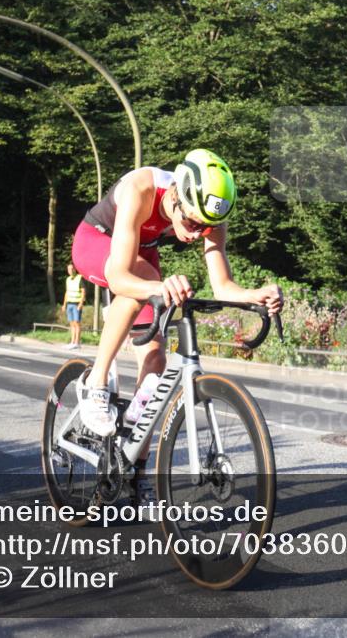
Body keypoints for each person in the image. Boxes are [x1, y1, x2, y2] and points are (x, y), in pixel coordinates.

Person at [70, 149, 283, 471]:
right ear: (174, 195)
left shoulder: (210, 214)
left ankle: (135, 472)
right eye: (191, 222)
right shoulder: (141, 188)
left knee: (156, 362)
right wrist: (158, 288)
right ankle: (95, 382)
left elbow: (224, 285)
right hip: (98, 241)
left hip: (144, 256)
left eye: (205, 227)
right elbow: (119, 277)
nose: (197, 233)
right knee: (141, 283)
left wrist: (257, 295)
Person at [63, 263, 86, 349]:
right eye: (69, 269)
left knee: (77, 323)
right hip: (69, 303)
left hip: (76, 303)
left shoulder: (79, 278)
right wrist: (64, 304)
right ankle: (72, 342)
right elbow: (67, 292)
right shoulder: (68, 279)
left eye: (72, 269)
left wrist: (81, 303)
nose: (70, 270)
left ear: (75, 269)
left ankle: (77, 342)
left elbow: (83, 292)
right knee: (71, 323)